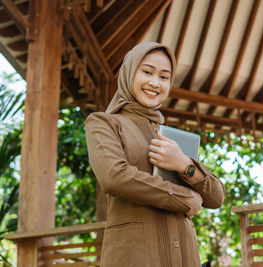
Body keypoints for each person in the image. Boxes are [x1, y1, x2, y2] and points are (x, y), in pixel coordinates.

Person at [85, 41, 226, 266]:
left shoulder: (172, 139)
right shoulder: (104, 123)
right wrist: (182, 199)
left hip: (185, 256)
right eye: (147, 72)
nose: (154, 83)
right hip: (136, 255)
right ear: (129, 72)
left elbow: (216, 197)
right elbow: (114, 177)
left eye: (164, 77)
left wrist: (184, 165)